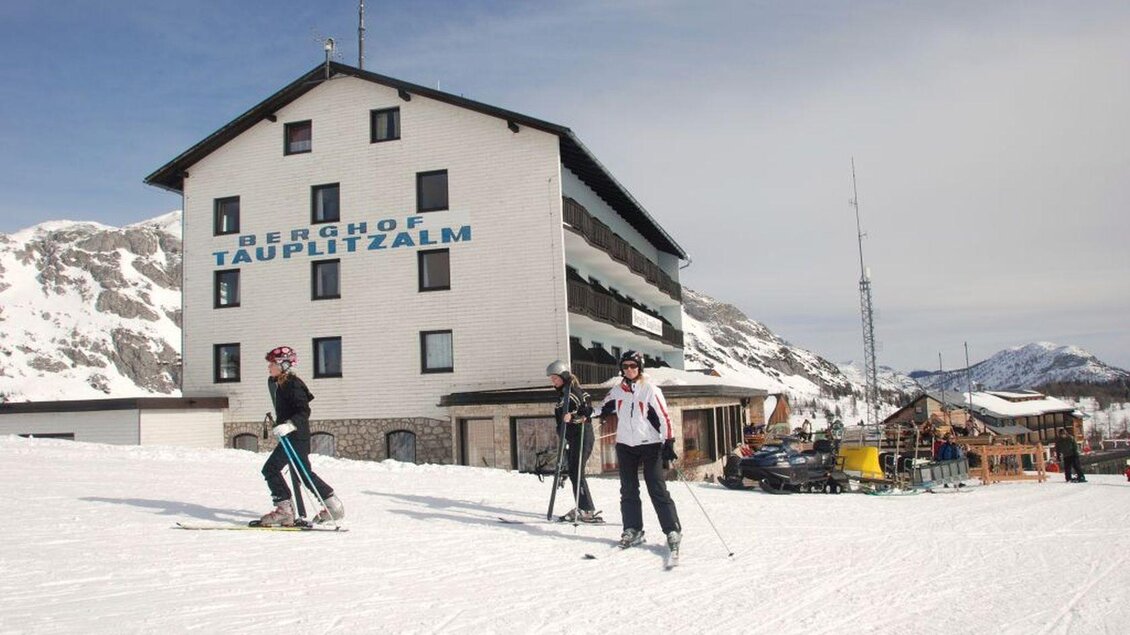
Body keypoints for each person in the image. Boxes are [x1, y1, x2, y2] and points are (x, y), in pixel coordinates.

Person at [599, 350, 681, 552]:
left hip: (649, 445)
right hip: (625, 445)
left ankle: (672, 529)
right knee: (628, 489)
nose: (629, 369)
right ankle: (633, 529)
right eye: (625, 366)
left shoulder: (650, 389)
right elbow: (603, 408)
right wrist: (586, 412)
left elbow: (664, 417)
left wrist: (668, 441)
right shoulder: (618, 390)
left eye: (633, 366)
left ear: (640, 367)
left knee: (656, 488)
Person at [258, 346, 345, 526]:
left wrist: (290, 425)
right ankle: (332, 506)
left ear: (284, 365)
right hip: (293, 435)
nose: (269, 367)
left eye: (272, 364)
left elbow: (303, 410)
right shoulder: (280, 383)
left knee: (271, 469)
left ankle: (285, 511)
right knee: (304, 474)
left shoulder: (292, 383)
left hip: (295, 436)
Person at [546, 360, 600, 523]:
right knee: (573, 471)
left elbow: (587, 411)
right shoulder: (564, 394)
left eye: (555, 378)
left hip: (582, 435)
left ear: (563, 376)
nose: (553, 382)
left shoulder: (573, 392)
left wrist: (573, 417)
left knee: (576, 471)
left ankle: (586, 509)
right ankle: (584, 507)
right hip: (573, 437)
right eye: (552, 379)